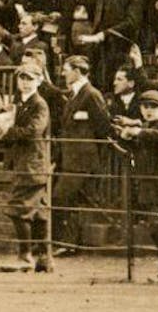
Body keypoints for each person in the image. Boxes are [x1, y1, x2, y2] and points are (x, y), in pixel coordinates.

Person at [115, 89, 158, 284]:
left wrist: (138, 131)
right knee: (156, 228)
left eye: (154, 107)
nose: (148, 110)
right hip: (151, 189)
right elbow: (135, 148)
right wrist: (124, 137)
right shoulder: (146, 126)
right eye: (145, 107)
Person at [0, 62, 53, 274]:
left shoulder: (39, 104)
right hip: (23, 162)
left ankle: (25, 257)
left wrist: (8, 132)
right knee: (38, 212)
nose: (25, 83)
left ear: (39, 80)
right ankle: (44, 257)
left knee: (18, 208)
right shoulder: (19, 102)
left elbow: (34, 130)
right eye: (22, 78)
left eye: (30, 79)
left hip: (32, 164)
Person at [50, 54, 112, 256]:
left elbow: (104, 126)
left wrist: (92, 152)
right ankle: (68, 243)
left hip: (82, 160)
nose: (63, 74)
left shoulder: (91, 94)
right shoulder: (75, 94)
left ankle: (67, 243)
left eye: (66, 70)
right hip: (71, 159)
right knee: (70, 200)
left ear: (77, 72)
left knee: (62, 197)